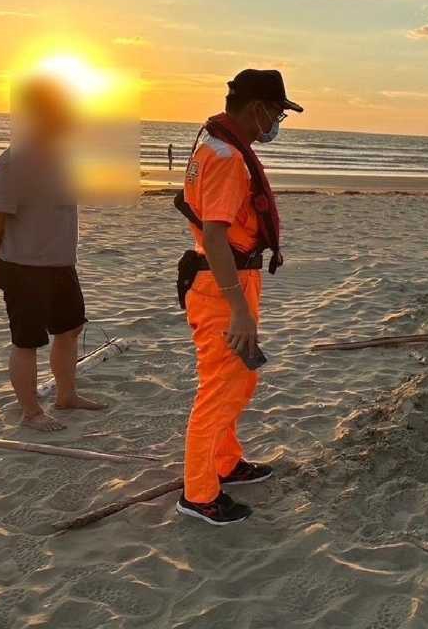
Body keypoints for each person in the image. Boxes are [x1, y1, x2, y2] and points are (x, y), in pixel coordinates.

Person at [174, 69, 302, 525]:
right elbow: (214, 234)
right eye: (278, 113)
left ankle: (226, 463)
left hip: (221, 278)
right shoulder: (227, 157)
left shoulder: (211, 142)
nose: (278, 123)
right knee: (220, 387)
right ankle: (199, 493)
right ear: (257, 109)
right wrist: (239, 308)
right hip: (221, 283)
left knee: (238, 380)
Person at [0, 76, 105, 431]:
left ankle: (66, 396)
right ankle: (31, 412)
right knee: (27, 341)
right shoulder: (13, 162)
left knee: (70, 329)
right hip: (23, 266)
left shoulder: (61, 157)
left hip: (61, 264)